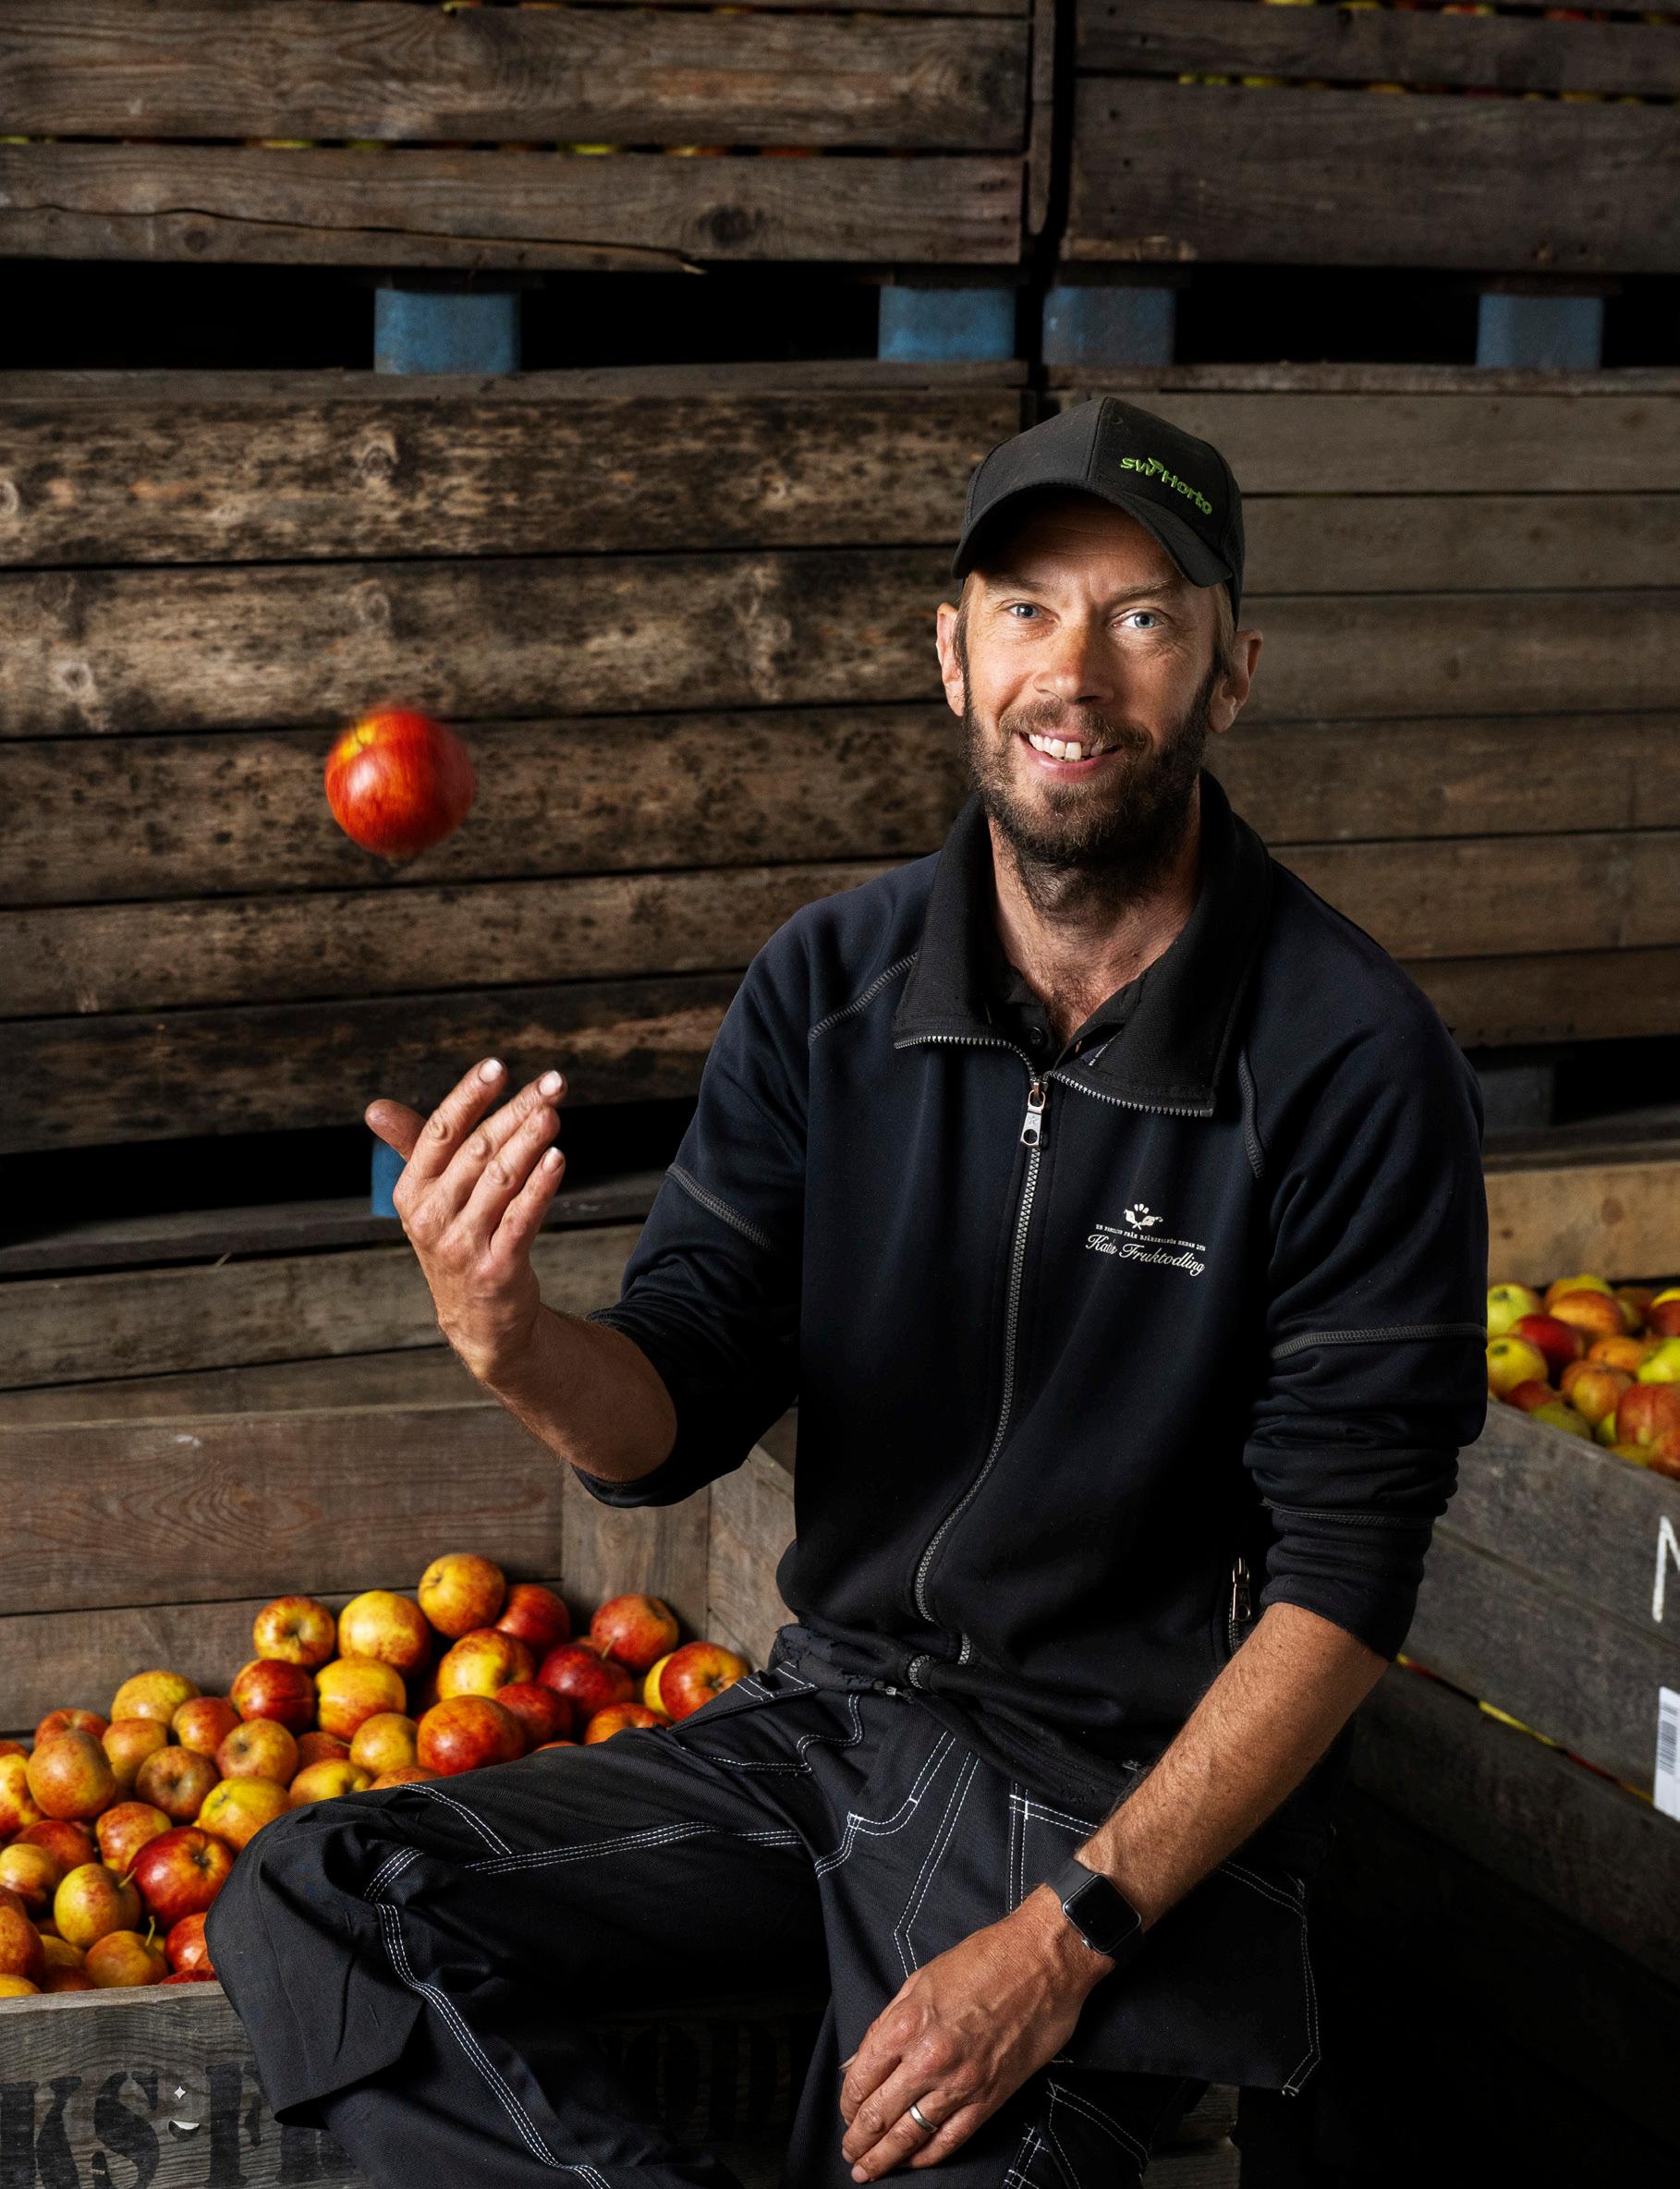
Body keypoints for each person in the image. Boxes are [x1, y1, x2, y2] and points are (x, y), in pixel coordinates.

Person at [205, 396, 1489, 2187]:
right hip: (833, 1731)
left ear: (1230, 675)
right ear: (951, 655)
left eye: (1141, 615)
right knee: (323, 1889)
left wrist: (1063, 1941)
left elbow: (1343, 1586)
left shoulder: (1350, 1060)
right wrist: (512, 1341)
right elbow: (673, 1408)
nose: (1073, 672)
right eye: (1025, 609)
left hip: (1114, 1809)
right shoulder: (831, 984)